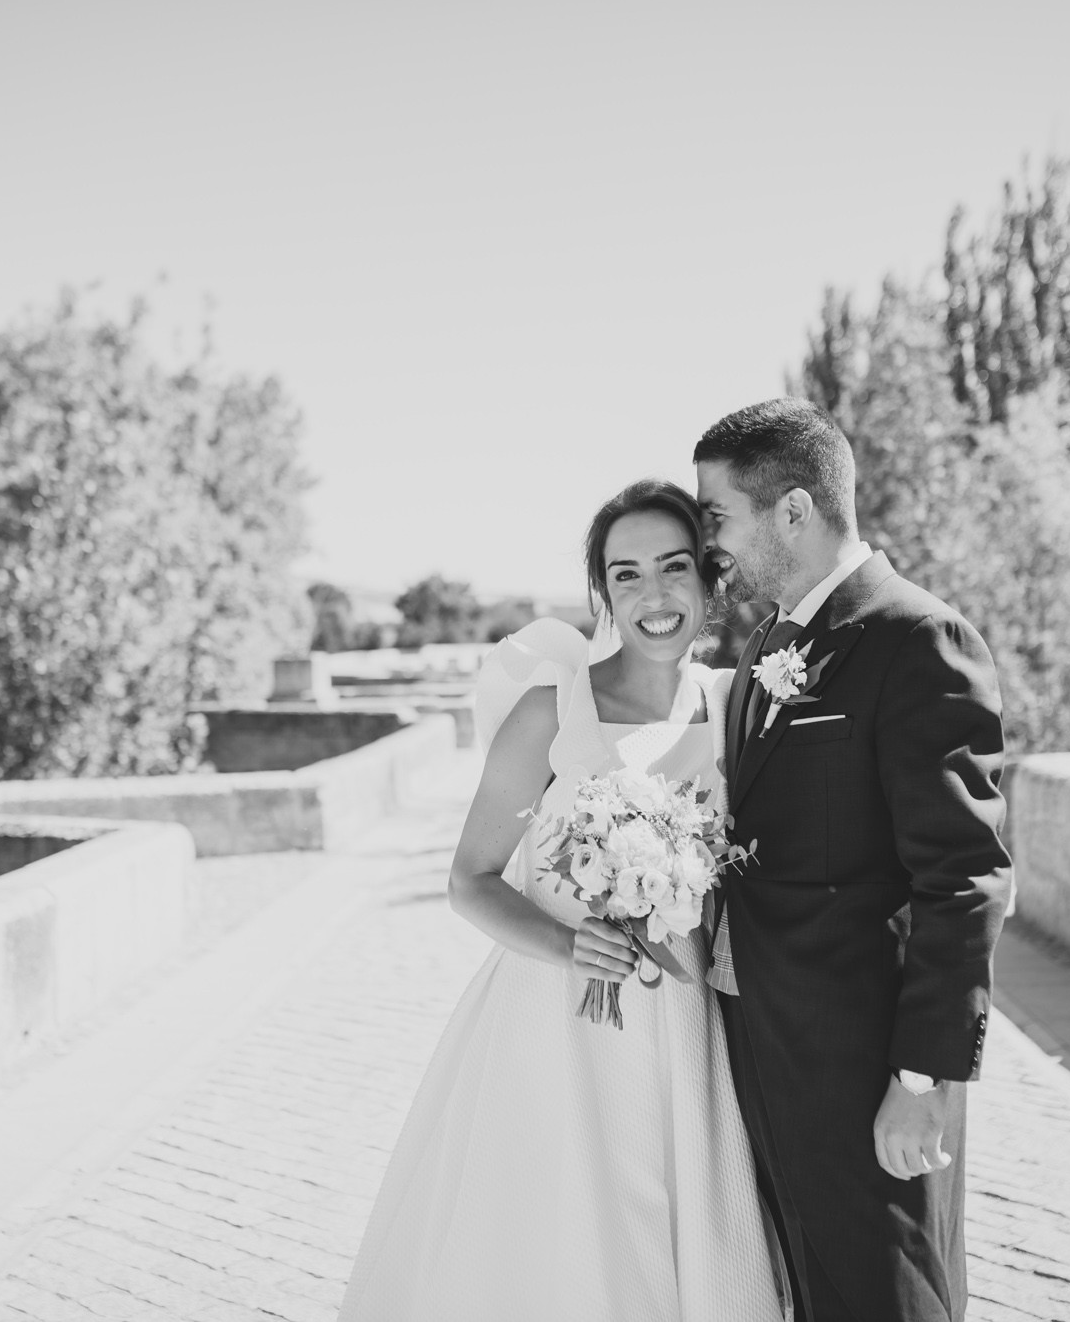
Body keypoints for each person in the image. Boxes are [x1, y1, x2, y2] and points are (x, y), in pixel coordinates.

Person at [337, 479, 786, 1322]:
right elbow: (469, 878)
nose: (653, 596)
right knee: (559, 1245)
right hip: (552, 1024)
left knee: (675, 1233)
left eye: (673, 566)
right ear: (603, 592)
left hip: (689, 1024)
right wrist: (569, 945)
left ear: (709, 578)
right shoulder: (551, 709)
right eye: (625, 575)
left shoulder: (732, 705)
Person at [695, 398, 1012, 1322]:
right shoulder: (766, 645)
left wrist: (921, 1080)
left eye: (719, 517)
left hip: (863, 1057)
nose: (711, 543)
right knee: (810, 1287)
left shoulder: (920, 639)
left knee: (890, 1295)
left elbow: (965, 879)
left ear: (793, 510)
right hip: (763, 1038)